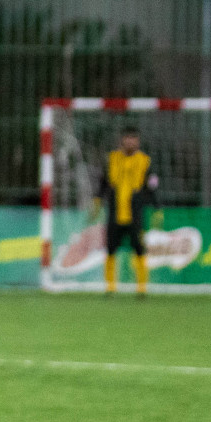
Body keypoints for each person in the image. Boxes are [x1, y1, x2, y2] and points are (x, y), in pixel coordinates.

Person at [91, 124, 161, 296]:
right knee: (110, 247)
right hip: (115, 211)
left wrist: (157, 208)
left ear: (137, 141)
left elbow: (151, 186)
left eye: (134, 139)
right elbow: (103, 182)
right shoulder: (112, 158)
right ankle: (110, 287)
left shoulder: (145, 161)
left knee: (139, 247)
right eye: (127, 138)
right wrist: (97, 201)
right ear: (122, 140)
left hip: (135, 211)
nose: (130, 142)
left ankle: (142, 287)